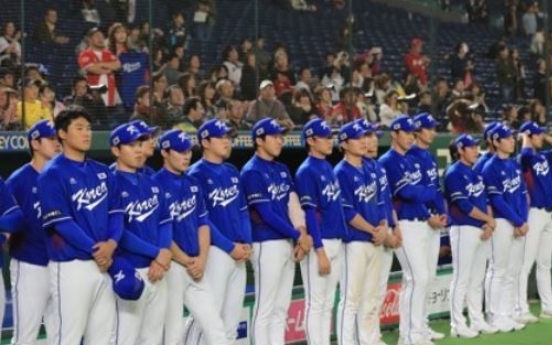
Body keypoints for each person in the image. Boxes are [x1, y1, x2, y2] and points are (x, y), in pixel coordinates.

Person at [37, 105, 124, 344]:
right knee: (68, 337)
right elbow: (62, 223)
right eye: (79, 128)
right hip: (71, 265)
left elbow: (117, 214)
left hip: (104, 264)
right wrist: (99, 250)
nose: (87, 133)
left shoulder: (103, 172)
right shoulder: (51, 174)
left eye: (88, 128)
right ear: (62, 134)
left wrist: (112, 244)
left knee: (102, 338)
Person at [153, 129, 231, 345]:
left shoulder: (192, 183)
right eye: (180, 151)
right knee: (173, 334)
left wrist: (202, 259)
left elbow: (203, 224)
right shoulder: (155, 184)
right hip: (173, 266)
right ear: (165, 153)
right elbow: (160, 231)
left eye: (188, 150)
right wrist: (186, 260)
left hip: (196, 264)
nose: (186, 155)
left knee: (215, 327)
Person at [241, 118, 313, 344]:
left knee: (282, 307)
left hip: (287, 242)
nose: (280, 140)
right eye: (275, 136)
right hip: (265, 242)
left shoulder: (282, 169)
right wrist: (298, 236)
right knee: (265, 308)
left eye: (281, 136)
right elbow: (266, 214)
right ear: (259, 140)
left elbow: (293, 204)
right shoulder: (252, 171)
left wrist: (300, 233)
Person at [186, 119, 252, 343]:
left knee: (230, 325)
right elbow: (201, 220)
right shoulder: (195, 174)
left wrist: (246, 242)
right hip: (215, 251)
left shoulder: (232, 170)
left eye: (228, 137)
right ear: (205, 141)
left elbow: (243, 210)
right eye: (221, 137)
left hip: (238, 252)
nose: (227, 141)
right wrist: (229, 246)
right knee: (207, 321)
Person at [108, 122, 172, 344]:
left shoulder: (150, 180)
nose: (137, 149)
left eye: (140, 144)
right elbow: (118, 232)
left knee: (152, 338)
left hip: (158, 269)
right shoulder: (109, 182)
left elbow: (165, 220)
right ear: (116, 150)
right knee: (124, 337)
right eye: (131, 145)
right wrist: (157, 252)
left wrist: (162, 254)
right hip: (128, 268)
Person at [378, 115, 438, 345]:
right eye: (406, 132)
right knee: (419, 277)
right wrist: (428, 192)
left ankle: (411, 333)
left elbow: (423, 190)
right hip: (402, 223)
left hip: (419, 222)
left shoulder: (411, 160)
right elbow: (410, 193)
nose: (411, 136)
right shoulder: (388, 161)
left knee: (415, 280)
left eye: (413, 132)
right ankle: (412, 335)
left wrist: (426, 197)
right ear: (394, 133)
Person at [5, 120, 60, 344]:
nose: (57, 144)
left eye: (58, 139)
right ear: (35, 143)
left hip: (59, 265)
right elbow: (8, 223)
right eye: (51, 139)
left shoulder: (60, 177)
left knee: (61, 334)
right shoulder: (18, 180)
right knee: (26, 335)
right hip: (30, 266)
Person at [334, 121, 388, 345]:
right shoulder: (340, 171)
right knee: (351, 299)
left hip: (374, 240)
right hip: (354, 241)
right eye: (358, 138)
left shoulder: (370, 167)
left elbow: (381, 202)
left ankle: (369, 341)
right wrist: (373, 229)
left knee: (370, 298)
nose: (365, 142)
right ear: (345, 144)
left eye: (365, 137)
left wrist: (383, 226)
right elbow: (347, 212)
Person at [294, 118, 347, 345]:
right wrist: (319, 249)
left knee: (327, 303)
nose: (330, 140)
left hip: (335, 239)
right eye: (325, 137)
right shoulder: (306, 171)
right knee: (315, 303)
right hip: (321, 241)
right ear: (311, 141)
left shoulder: (326, 165)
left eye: (330, 136)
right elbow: (310, 214)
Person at [444, 134, 498, 338]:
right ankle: (457, 324)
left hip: (481, 229)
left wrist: (489, 223)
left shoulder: (475, 173)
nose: (476, 150)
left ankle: (477, 319)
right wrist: (488, 220)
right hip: (463, 228)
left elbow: (485, 201)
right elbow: (464, 205)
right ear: (460, 150)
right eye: (471, 147)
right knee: (461, 278)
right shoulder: (454, 172)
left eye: (476, 146)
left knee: (477, 278)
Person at [356, 119, 402, 345]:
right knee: (364, 294)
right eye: (366, 135)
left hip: (385, 231)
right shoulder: (357, 167)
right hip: (368, 237)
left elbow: (386, 201)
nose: (372, 139)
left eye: (373, 135)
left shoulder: (377, 166)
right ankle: (364, 338)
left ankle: (373, 335)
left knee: (377, 292)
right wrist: (381, 231)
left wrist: (394, 227)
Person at [481, 124, 528, 332]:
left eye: (512, 137)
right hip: (501, 221)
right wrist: (518, 221)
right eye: (507, 138)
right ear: (496, 142)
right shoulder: (490, 167)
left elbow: (522, 194)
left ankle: (507, 313)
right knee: (497, 269)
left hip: (518, 222)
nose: (512, 141)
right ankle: (493, 315)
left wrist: (522, 220)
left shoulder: (514, 165)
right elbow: (497, 200)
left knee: (512, 270)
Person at [408, 113, 448, 342]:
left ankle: (422, 324)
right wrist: (428, 216)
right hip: (419, 221)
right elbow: (413, 194)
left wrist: (441, 212)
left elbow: (435, 189)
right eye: (429, 128)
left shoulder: (429, 156)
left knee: (429, 276)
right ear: (417, 131)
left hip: (433, 220)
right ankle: (415, 330)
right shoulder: (412, 155)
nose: (433, 132)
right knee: (418, 278)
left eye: (433, 128)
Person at [516, 121, 552, 321]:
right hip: (533, 213)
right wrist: (525, 138)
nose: (542, 137)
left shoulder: (542, 156)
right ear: (529, 136)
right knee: (525, 263)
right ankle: (521, 308)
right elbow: (523, 154)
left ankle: (548, 306)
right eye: (538, 135)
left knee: (545, 263)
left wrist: (545, 137)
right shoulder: (526, 157)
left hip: (548, 213)